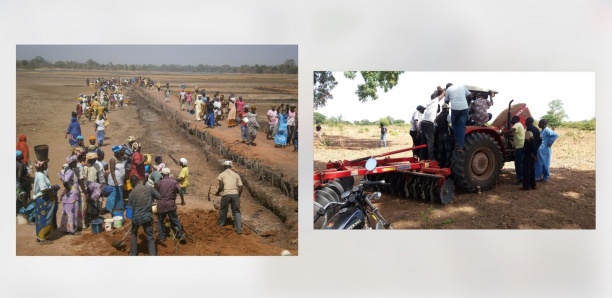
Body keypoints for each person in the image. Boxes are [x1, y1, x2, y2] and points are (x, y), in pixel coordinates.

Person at [127, 175, 159, 256]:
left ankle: (133, 254)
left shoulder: (131, 194)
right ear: (139, 181)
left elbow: (129, 211)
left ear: (132, 184)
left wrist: (130, 217)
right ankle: (152, 255)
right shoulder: (149, 189)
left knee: (134, 233)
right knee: (150, 237)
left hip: (136, 218)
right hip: (147, 217)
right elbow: (159, 196)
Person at [33, 159, 60, 244]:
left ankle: (39, 236)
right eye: (45, 164)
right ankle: (43, 238)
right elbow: (44, 189)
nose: (47, 166)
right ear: (41, 166)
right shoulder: (41, 176)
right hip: (43, 199)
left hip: (40, 199)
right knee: (45, 218)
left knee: (40, 218)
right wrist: (54, 187)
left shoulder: (38, 173)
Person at [156, 168, 186, 243]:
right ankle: (181, 235)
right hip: (170, 204)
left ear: (162, 174)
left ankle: (162, 237)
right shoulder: (174, 182)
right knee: (175, 220)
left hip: (161, 205)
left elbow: (156, 192)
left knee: (160, 221)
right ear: (169, 174)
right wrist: (182, 200)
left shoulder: (159, 182)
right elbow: (180, 190)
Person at [215, 161, 244, 234]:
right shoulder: (236, 175)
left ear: (224, 167)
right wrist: (238, 195)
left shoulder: (221, 174)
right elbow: (241, 187)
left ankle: (221, 225)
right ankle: (239, 229)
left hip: (226, 194)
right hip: (235, 194)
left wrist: (217, 193)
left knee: (223, 210)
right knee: (236, 211)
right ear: (230, 167)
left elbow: (221, 187)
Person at [444, 83, 473, 152]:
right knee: (461, 127)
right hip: (464, 109)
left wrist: (448, 103)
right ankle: (460, 146)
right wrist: (467, 105)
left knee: (455, 126)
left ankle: (458, 143)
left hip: (455, 109)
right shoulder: (462, 86)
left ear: (447, 87)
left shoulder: (448, 89)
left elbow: (446, 101)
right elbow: (470, 96)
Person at [58, 155, 82, 236]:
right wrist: (68, 189)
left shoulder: (65, 170)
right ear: (71, 163)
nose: (76, 163)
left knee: (66, 212)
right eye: (75, 162)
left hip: (68, 196)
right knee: (72, 213)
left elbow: (60, 176)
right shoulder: (71, 171)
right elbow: (65, 182)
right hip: (71, 196)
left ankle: (65, 229)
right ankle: (72, 230)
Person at [421, 88, 446, 159]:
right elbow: (442, 94)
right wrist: (443, 90)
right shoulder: (435, 101)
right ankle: (431, 158)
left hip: (423, 122)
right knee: (430, 142)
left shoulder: (429, 103)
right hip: (429, 123)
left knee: (424, 142)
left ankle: (423, 157)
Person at [502, 116, 525, 185]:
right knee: (519, 163)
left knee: (518, 163)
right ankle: (521, 178)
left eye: (512, 119)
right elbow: (513, 133)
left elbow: (511, 130)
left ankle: (521, 179)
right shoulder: (519, 125)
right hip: (519, 146)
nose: (511, 120)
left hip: (520, 146)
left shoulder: (517, 124)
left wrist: (502, 133)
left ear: (515, 119)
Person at [521, 117, 541, 190]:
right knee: (532, 168)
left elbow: (531, 141)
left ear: (527, 122)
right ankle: (533, 185)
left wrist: (533, 151)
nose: (525, 122)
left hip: (529, 152)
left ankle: (526, 186)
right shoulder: (537, 129)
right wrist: (535, 150)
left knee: (526, 169)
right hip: (533, 152)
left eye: (526, 121)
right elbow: (540, 140)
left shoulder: (529, 129)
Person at [106, 145, 126, 213]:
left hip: (120, 180)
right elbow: (112, 171)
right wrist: (115, 181)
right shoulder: (113, 159)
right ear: (117, 152)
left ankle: (119, 208)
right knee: (113, 195)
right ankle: (110, 209)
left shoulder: (120, 157)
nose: (122, 152)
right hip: (114, 181)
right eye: (120, 151)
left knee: (120, 195)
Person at [434, 103, 452, 168]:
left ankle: (440, 164)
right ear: (447, 109)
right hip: (445, 134)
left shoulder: (438, 116)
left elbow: (436, 124)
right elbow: (451, 122)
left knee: (440, 150)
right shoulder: (447, 115)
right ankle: (447, 164)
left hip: (439, 135)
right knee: (448, 150)